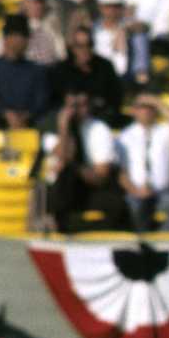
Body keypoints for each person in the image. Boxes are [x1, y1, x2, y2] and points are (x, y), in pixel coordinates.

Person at [44, 87, 126, 232]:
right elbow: (63, 157)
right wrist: (64, 128)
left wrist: (77, 169)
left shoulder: (99, 129)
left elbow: (102, 174)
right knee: (64, 174)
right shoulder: (52, 129)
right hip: (61, 188)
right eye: (72, 106)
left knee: (116, 202)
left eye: (82, 105)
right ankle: (56, 227)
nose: (77, 110)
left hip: (90, 186)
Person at [117, 92, 169, 232]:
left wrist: (157, 102)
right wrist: (136, 191)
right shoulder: (124, 136)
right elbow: (121, 171)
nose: (147, 110)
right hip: (135, 193)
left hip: (162, 192)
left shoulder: (165, 131)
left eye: (150, 107)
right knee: (128, 206)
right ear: (134, 110)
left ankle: (163, 239)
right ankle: (140, 244)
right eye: (142, 107)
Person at [0, 14, 52, 129]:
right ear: (8, 38)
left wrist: (26, 116)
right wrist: (7, 114)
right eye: (20, 36)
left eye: (25, 37)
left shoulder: (38, 71)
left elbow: (41, 102)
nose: (24, 41)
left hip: (30, 123)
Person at [49, 26, 125, 128]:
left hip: (99, 120)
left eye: (89, 45)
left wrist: (91, 102)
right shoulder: (61, 69)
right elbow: (53, 100)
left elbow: (115, 99)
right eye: (80, 46)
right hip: (70, 122)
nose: (85, 49)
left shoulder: (105, 67)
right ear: (72, 48)